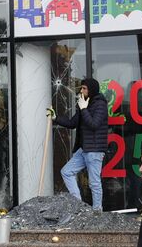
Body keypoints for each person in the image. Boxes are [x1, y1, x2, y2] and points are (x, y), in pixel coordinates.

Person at [46, 77, 109, 210]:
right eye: (81, 88)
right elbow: (72, 123)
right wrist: (55, 118)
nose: (81, 90)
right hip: (84, 149)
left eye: (84, 88)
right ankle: (78, 205)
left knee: (94, 183)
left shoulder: (100, 104)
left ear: (91, 90)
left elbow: (94, 124)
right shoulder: (83, 103)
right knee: (66, 172)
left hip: (95, 150)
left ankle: (97, 212)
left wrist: (84, 109)